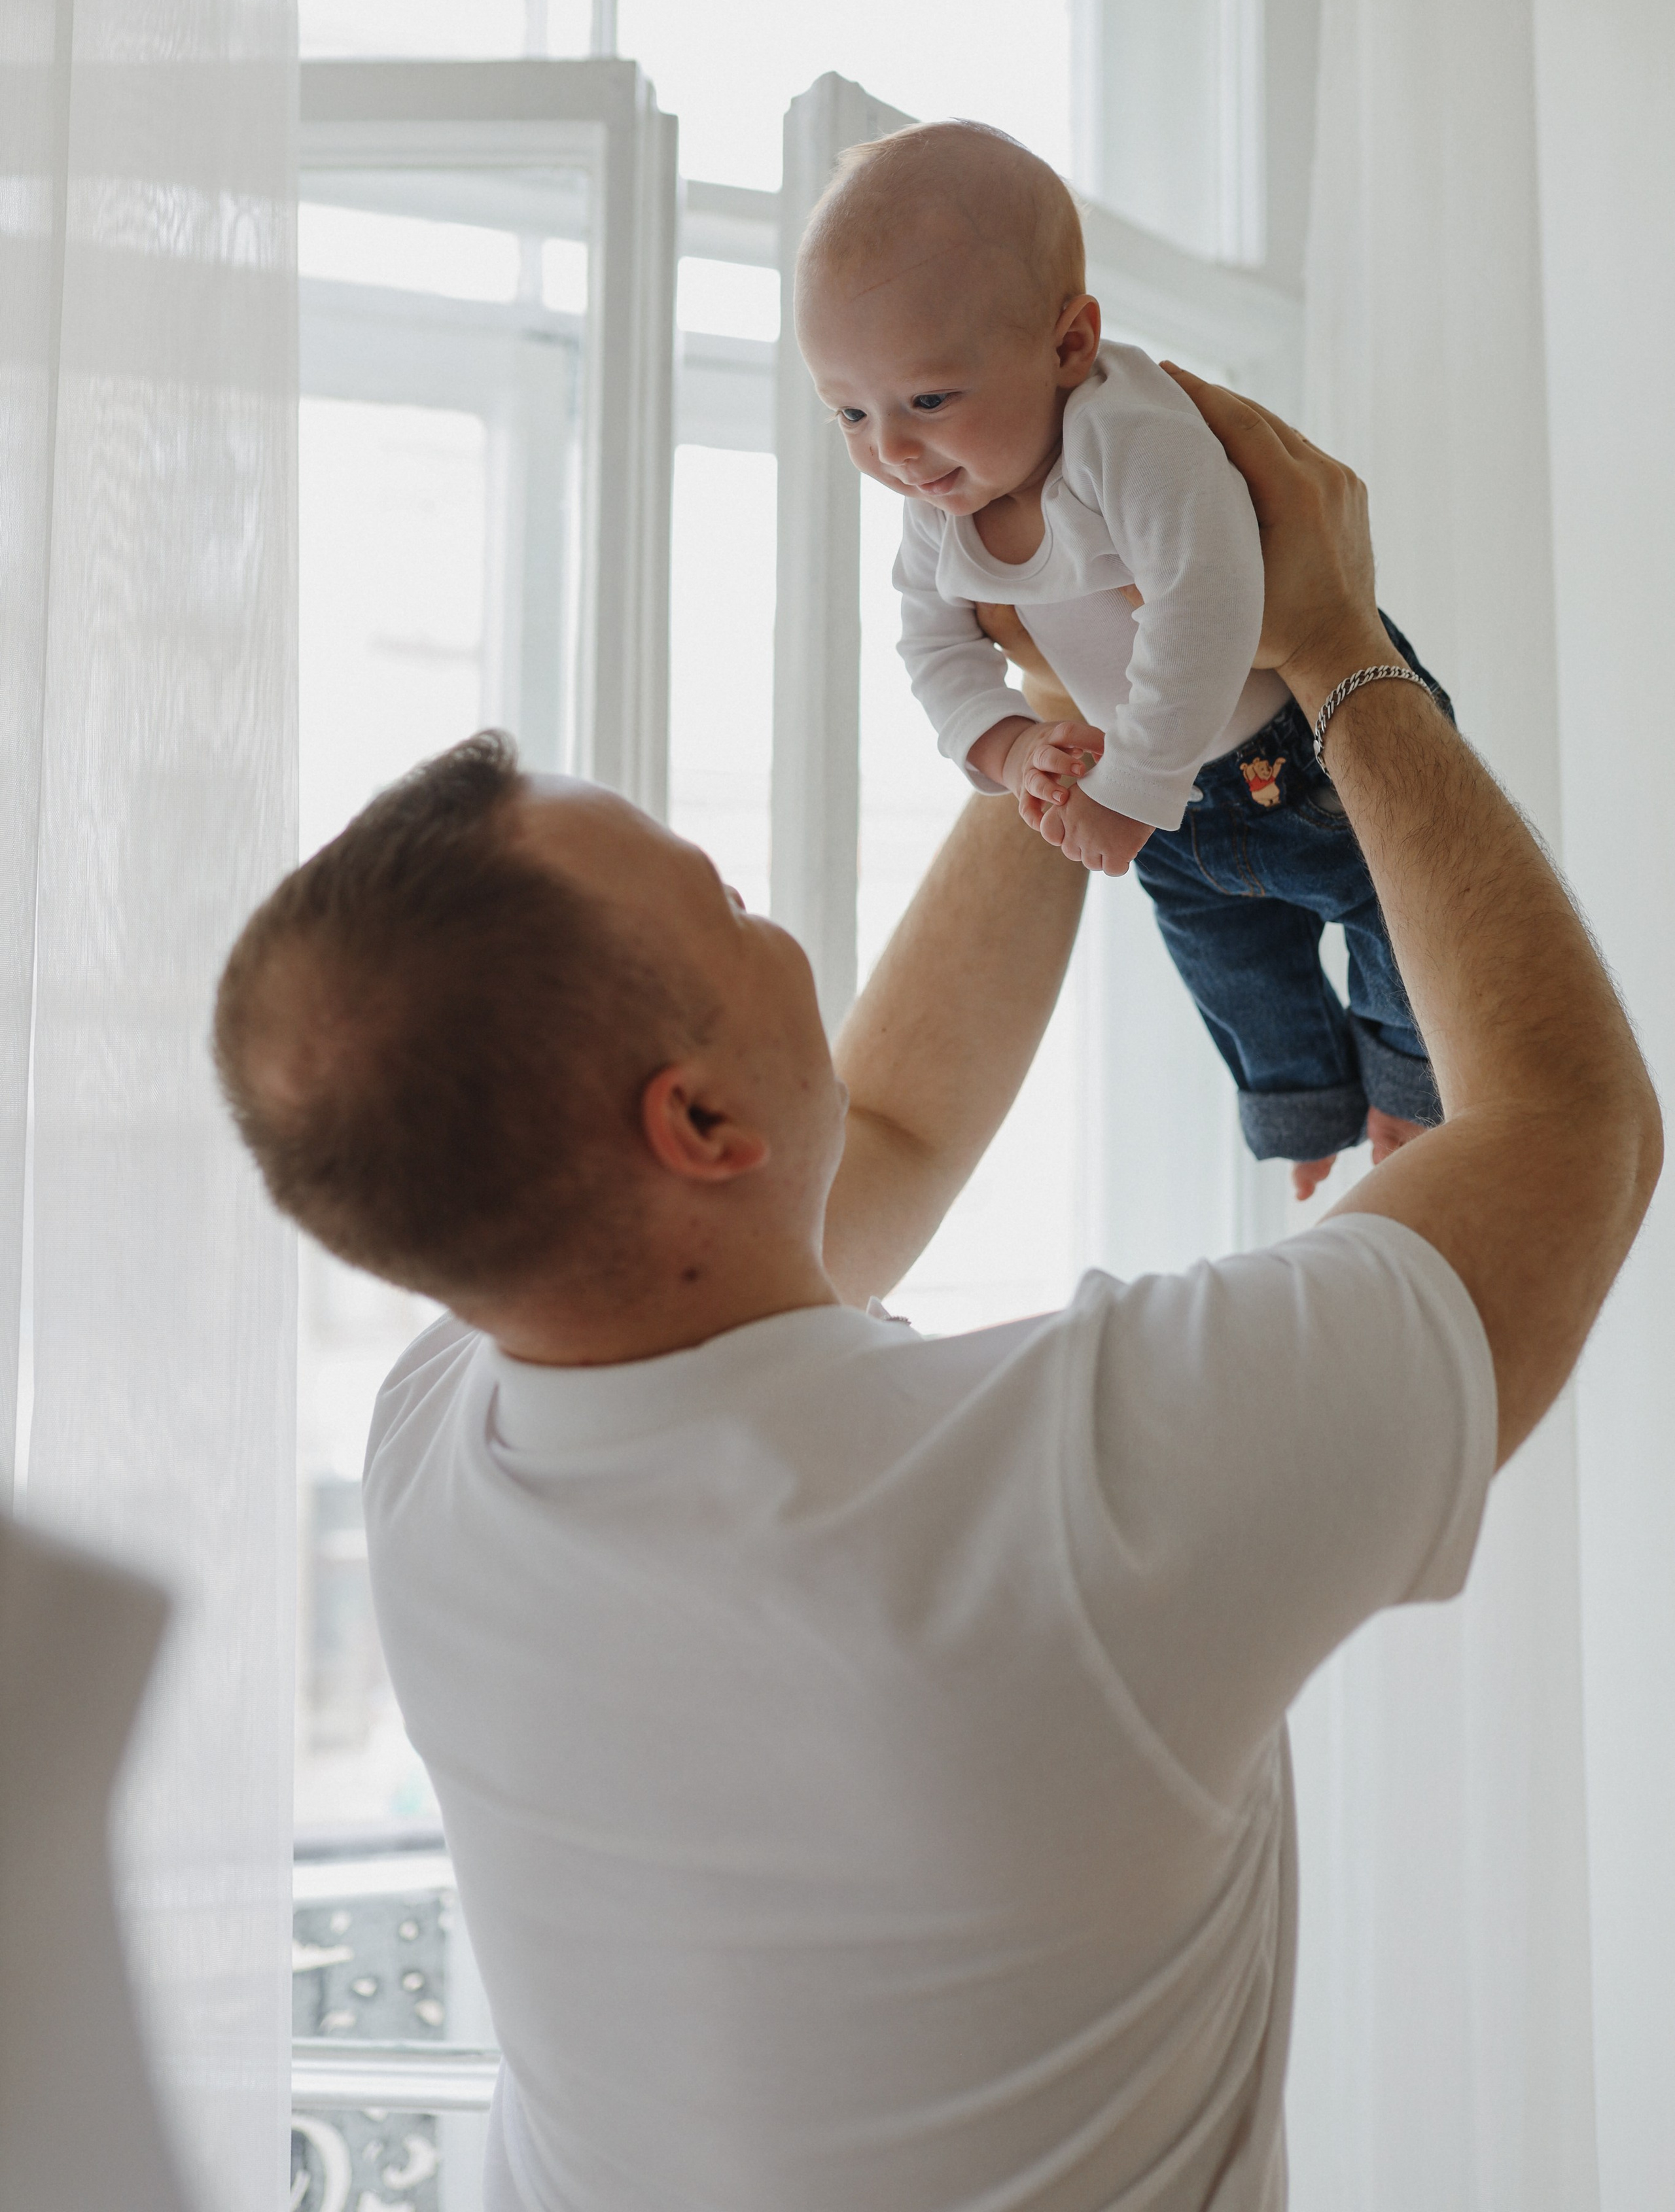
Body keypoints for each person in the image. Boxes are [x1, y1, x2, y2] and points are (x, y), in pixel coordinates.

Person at [213, 381, 1659, 2212]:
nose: (780, 933)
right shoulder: (1072, 1508)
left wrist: (1098, 693)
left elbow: (881, 1128)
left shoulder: (452, 1435)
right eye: (731, 903)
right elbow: (1570, 1134)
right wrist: (1338, 644)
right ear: (701, 1120)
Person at [794, 119, 1447, 1200]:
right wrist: (1010, 748)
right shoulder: (937, 505)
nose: (894, 452)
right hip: (1163, 798)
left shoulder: (1126, 437)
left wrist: (1133, 787)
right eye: (850, 414)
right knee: (1229, 961)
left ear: (1066, 344)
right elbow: (931, 642)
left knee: (1400, 916)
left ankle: (1409, 1090)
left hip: (1300, 743)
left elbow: (1209, 602)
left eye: (928, 399)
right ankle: (1306, 1108)